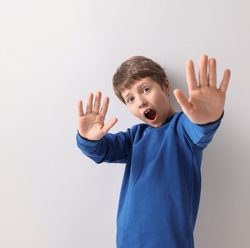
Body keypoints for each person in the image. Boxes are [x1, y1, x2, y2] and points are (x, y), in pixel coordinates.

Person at [76, 54, 231, 248]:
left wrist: (207, 118)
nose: (140, 102)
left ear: (165, 87)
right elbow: (103, 149)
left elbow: (200, 130)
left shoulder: (182, 129)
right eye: (130, 99)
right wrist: (88, 138)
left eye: (146, 89)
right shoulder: (134, 137)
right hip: (127, 242)